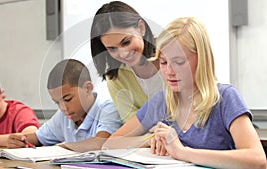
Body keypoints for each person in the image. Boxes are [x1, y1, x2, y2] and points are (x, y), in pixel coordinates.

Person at [103, 17, 266, 168]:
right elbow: (110, 143)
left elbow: (258, 160)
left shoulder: (226, 98)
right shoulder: (161, 102)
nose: (169, 71)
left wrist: (182, 152)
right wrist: (148, 139)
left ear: (202, 60)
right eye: (164, 62)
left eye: (179, 62)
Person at [7, 59, 122, 152]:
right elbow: (38, 137)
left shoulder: (108, 109)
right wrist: (20, 139)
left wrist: (61, 148)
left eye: (68, 99)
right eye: (57, 102)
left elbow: (99, 143)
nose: (63, 108)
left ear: (88, 88)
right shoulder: (65, 115)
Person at [90, 1, 164, 122]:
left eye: (126, 42)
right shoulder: (116, 78)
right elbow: (132, 124)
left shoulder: (172, 54)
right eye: (112, 49)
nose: (123, 54)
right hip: (153, 139)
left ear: (141, 28)